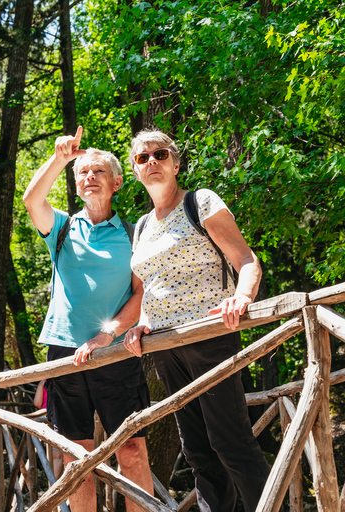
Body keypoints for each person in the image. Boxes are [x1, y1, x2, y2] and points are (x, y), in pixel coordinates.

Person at [123, 129, 270, 512]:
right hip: (166, 349)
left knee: (230, 441)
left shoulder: (199, 202)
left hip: (208, 335)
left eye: (159, 154)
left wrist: (241, 297)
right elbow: (149, 286)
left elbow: (247, 260)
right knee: (197, 450)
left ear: (174, 162)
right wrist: (140, 322)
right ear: (136, 170)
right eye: (142, 158)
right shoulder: (141, 226)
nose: (151, 161)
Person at [23, 126, 153, 512]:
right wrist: (61, 157)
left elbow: (141, 294)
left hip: (117, 351)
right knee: (77, 456)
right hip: (64, 351)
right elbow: (32, 200)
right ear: (76, 184)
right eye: (82, 173)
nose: (89, 177)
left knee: (131, 449)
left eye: (97, 172)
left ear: (116, 183)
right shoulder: (62, 228)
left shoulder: (135, 233)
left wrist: (106, 335)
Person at [33, 379, 65, 479]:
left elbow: (37, 403)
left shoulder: (44, 382)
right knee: (63, 455)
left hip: (48, 419)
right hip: (63, 417)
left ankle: (53, 485)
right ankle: (58, 486)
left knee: (55, 456)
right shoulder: (65, 378)